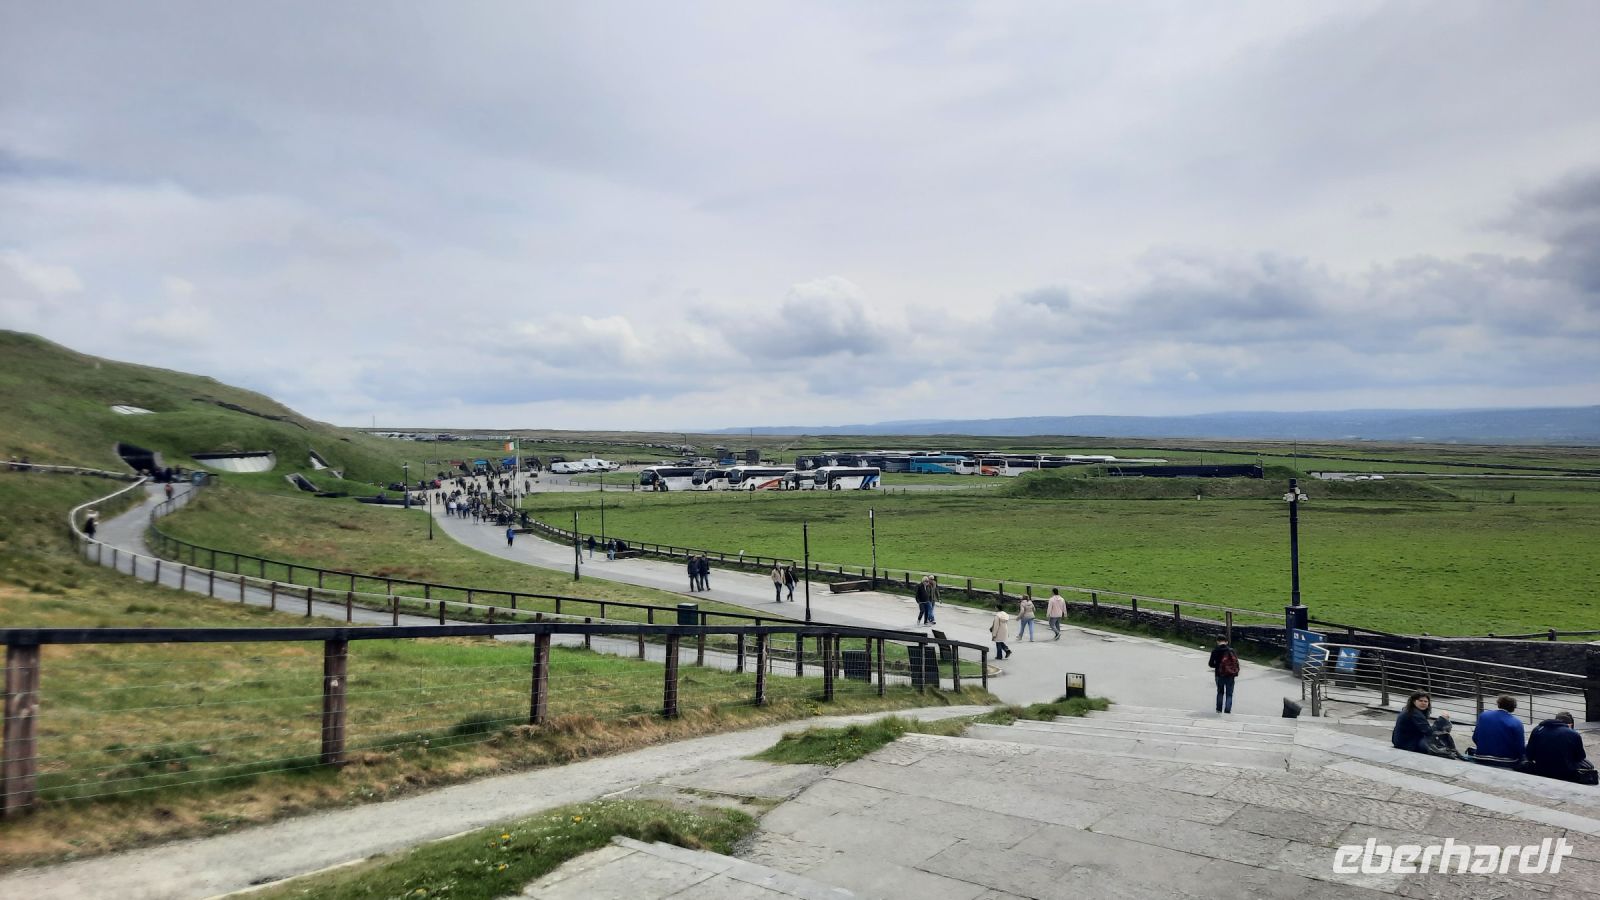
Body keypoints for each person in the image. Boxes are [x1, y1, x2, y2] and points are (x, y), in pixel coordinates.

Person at [1525, 712, 1593, 784]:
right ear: (1570, 724)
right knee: (1588, 765)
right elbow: (1580, 757)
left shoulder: (1537, 729)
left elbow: (1529, 755)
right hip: (1565, 773)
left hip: (1541, 769)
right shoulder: (1573, 734)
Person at [1391, 692, 1460, 758]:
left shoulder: (1409, 710)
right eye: (1420, 701)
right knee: (1437, 741)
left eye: (1425, 701)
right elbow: (1429, 732)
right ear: (1414, 701)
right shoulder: (1415, 713)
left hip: (1401, 741)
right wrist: (1442, 720)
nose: (1423, 703)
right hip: (1407, 744)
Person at [1470, 695, 1526, 764]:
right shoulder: (1517, 723)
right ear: (1513, 708)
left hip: (1481, 757)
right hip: (1507, 761)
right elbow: (1520, 748)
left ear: (1498, 704)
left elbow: (1475, 738)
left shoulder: (1484, 715)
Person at [1207, 636, 1239, 714]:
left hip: (1219, 674)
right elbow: (1236, 663)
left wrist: (1217, 666)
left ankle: (1219, 709)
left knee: (1220, 692)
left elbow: (1210, 664)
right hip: (1230, 675)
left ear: (1217, 641)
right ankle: (1227, 710)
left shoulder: (1215, 650)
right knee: (1229, 694)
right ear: (1226, 642)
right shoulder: (1231, 650)